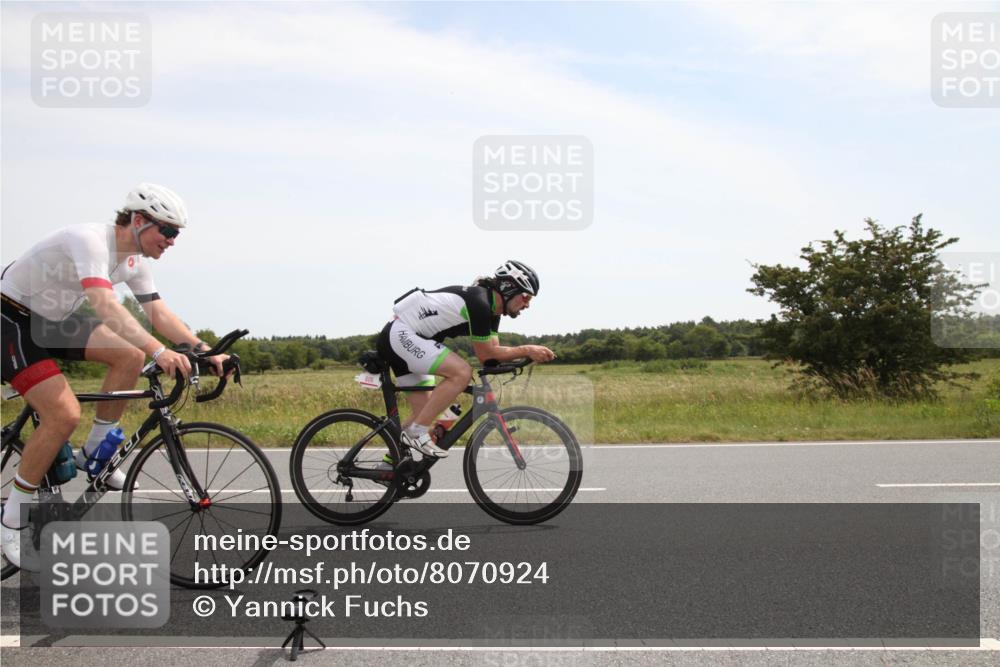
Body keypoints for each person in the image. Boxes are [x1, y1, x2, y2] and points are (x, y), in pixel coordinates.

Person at [1, 183, 228, 569]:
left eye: (177, 234)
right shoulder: (90, 241)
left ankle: (95, 454)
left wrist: (202, 348)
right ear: (138, 220)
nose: (172, 241)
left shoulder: (134, 261)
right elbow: (105, 305)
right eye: (168, 231)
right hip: (11, 318)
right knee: (63, 415)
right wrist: (158, 350)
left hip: (52, 321)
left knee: (126, 357)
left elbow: (159, 314)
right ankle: (11, 523)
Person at [376, 260, 556, 459]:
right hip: (402, 334)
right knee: (462, 372)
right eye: (525, 297)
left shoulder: (492, 312)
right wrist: (527, 350)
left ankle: (390, 466)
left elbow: (492, 357)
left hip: (405, 338)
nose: (527, 304)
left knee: (423, 413)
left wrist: (521, 360)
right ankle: (418, 434)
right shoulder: (479, 302)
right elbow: (486, 353)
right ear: (508, 288)